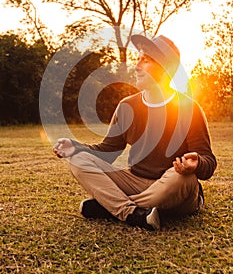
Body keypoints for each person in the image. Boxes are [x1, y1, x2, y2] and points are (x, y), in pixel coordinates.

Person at [53, 34, 217, 231]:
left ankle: (110, 207)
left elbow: (209, 162)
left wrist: (197, 162)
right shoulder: (126, 107)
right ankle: (133, 213)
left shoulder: (189, 108)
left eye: (145, 60)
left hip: (175, 186)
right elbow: (108, 151)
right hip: (135, 181)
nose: (137, 66)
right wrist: (76, 147)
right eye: (137, 59)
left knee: (180, 177)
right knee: (78, 160)